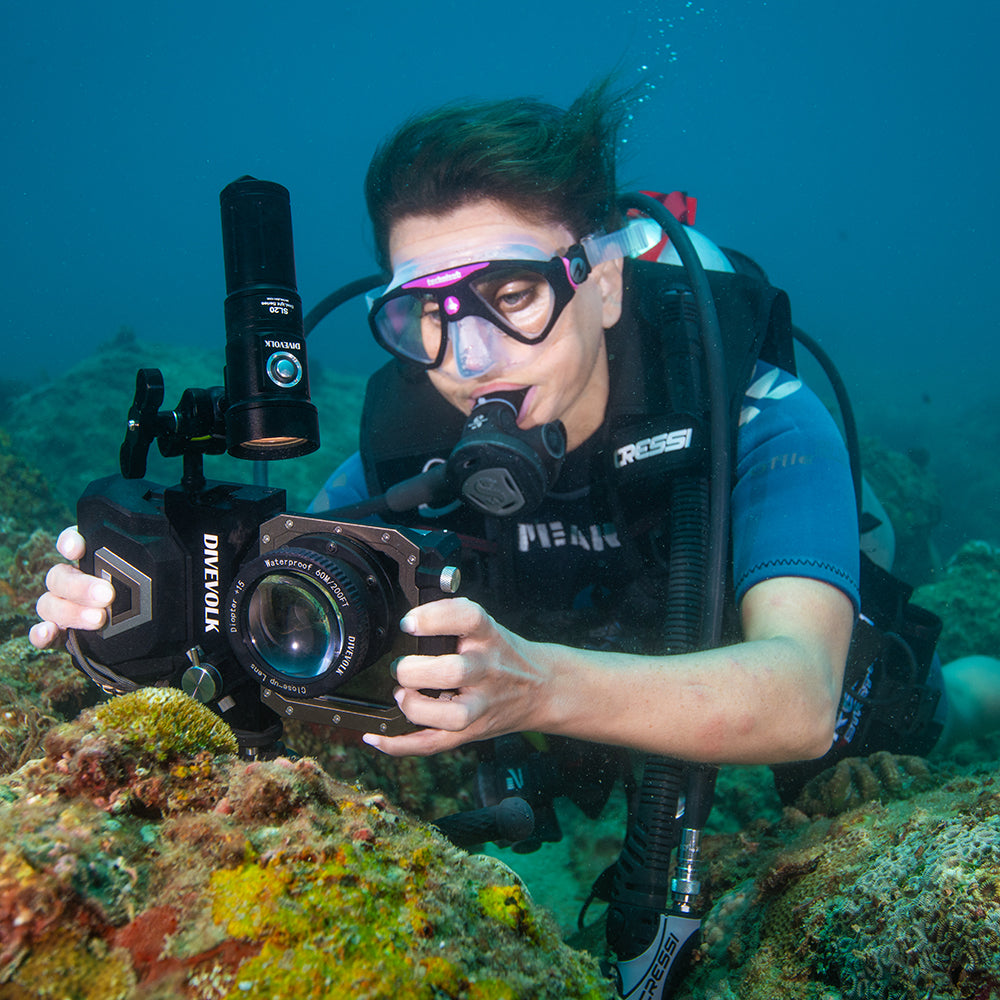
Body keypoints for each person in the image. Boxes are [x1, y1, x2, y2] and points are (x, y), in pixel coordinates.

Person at [30, 81, 999, 786]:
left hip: (742, 633)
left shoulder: (754, 409)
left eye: (512, 293)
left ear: (604, 279)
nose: (471, 356)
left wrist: (533, 689)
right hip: (565, 673)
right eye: (427, 314)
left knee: (910, 713)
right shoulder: (408, 432)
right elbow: (294, 594)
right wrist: (160, 615)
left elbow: (795, 696)